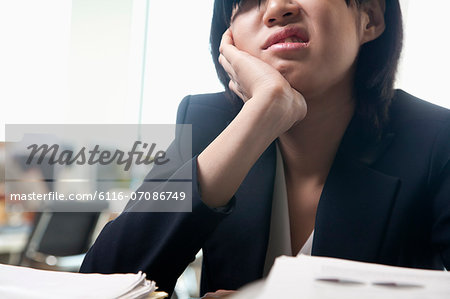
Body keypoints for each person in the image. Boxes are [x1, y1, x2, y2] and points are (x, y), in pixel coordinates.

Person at [80, 0, 450, 297]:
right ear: (229, 38)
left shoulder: (435, 138)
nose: (276, 8)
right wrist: (261, 114)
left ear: (370, 17)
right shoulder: (209, 122)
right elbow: (103, 282)